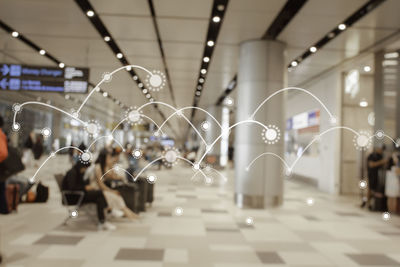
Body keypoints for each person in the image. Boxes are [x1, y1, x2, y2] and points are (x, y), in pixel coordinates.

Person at [62, 160, 116, 230]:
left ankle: (102, 221)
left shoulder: (77, 172)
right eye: (85, 168)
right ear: (82, 167)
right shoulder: (72, 173)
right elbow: (72, 188)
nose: (85, 170)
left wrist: (87, 187)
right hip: (74, 197)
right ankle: (108, 212)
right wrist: (85, 187)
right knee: (100, 193)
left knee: (99, 198)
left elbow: (80, 184)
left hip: (79, 195)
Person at [86, 148, 138, 220]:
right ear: (104, 157)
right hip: (97, 190)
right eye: (108, 157)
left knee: (118, 197)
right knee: (117, 197)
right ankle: (130, 215)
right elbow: (100, 185)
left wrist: (111, 166)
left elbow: (112, 176)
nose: (110, 158)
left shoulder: (102, 167)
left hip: (101, 190)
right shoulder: (98, 167)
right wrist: (111, 191)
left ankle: (130, 214)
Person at [385, 147, 400, 212]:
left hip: (391, 184)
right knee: (392, 198)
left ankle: (391, 210)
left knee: (391, 198)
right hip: (393, 184)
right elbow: (398, 172)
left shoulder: (390, 168)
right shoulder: (394, 167)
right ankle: (392, 210)